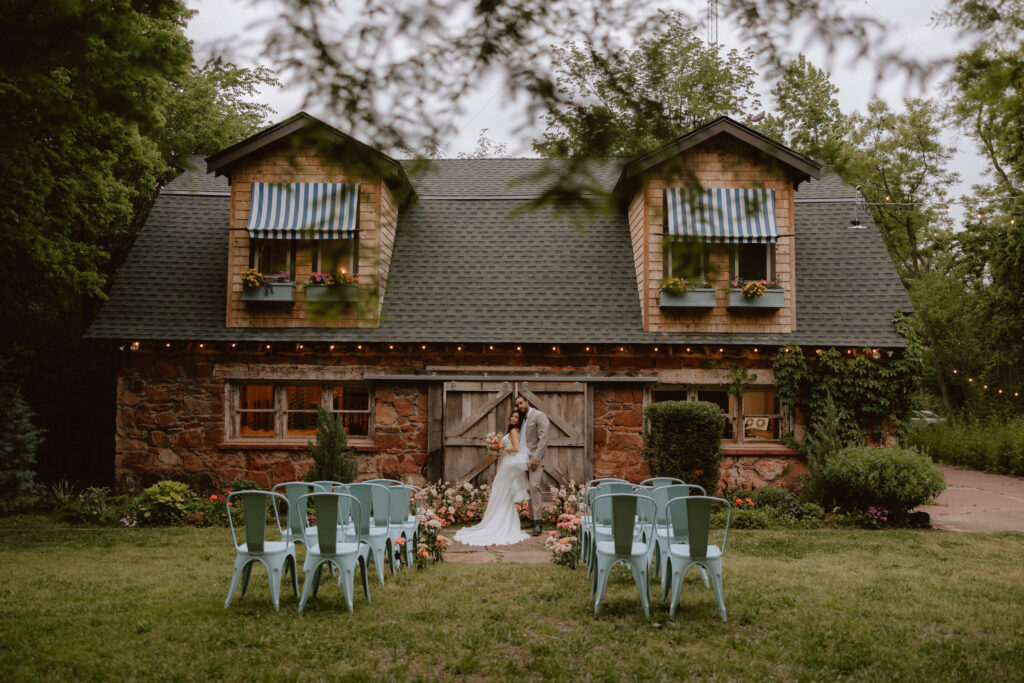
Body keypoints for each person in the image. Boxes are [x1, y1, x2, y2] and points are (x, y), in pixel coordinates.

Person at [453, 411, 531, 546]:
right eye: (512, 416)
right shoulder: (513, 430)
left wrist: (502, 448)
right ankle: (500, 521)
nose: (513, 418)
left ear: (520, 420)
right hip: (507, 464)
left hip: (508, 465)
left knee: (502, 493)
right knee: (502, 494)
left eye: (516, 417)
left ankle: (499, 523)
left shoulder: (513, 431)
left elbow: (517, 448)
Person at [514, 394, 550, 536]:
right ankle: (532, 518)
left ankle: (538, 522)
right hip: (523, 459)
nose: (519, 407)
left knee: (535, 487)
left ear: (527, 401)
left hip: (535, 459)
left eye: (521, 403)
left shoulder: (539, 416)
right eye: (517, 405)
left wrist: (536, 459)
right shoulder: (523, 419)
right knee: (528, 488)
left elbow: (543, 439)